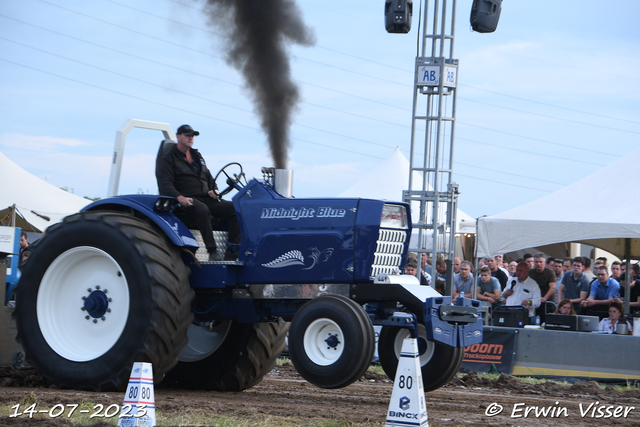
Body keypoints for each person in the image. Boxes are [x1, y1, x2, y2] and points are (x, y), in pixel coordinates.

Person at [156, 124, 241, 261]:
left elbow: (209, 177)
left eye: (192, 136)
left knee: (237, 209)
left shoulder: (197, 156)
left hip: (207, 198)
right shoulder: (168, 158)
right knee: (202, 209)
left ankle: (232, 252)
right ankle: (212, 251)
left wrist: (214, 190)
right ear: (178, 137)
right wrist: (180, 197)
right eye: (187, 135)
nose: (191, 138)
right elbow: (165, 184)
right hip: (187, 199)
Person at [528, 253, 556, 322]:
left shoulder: (550, 272)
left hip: (548, 303)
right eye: (536, 262)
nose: (538, 264)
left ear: (544, 263)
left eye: (540, 262)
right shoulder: (530, 272)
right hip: (534, 303)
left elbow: (552, 288)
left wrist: (544, 298)